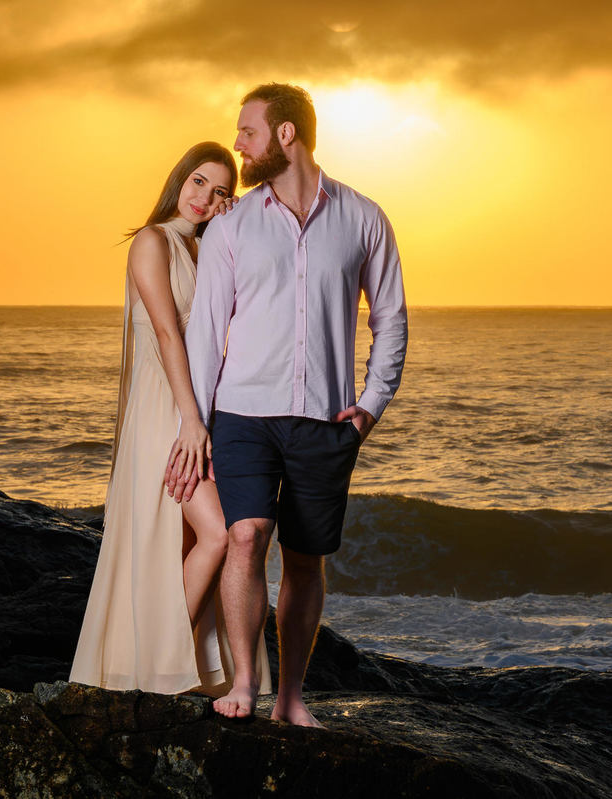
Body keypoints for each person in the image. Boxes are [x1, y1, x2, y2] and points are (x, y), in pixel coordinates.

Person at [170, 83, 408, 726]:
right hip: (241, 414)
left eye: (247, 132)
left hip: (325, 420)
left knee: (305, 559)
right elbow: (205, 331)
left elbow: (390, 318)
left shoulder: (364, 219)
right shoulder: (232, 225)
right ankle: (245, 684)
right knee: (245, 536)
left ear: (285, 134)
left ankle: (291, 699)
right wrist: (196, 424)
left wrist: (370, 405)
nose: (238, 144)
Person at [71, 142, 271, 695]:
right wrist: (190, 422)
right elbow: (165, 333)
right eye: (199, 181)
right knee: (217, 533)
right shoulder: (151, 241)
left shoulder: (207, 248)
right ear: (180, 178)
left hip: (197, 410)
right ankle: (160, 665)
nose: (205, 197)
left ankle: (164, 668)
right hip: (166, 411)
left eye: (221, 191)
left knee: (189, 541)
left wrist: (235, 227)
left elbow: (239, 317)